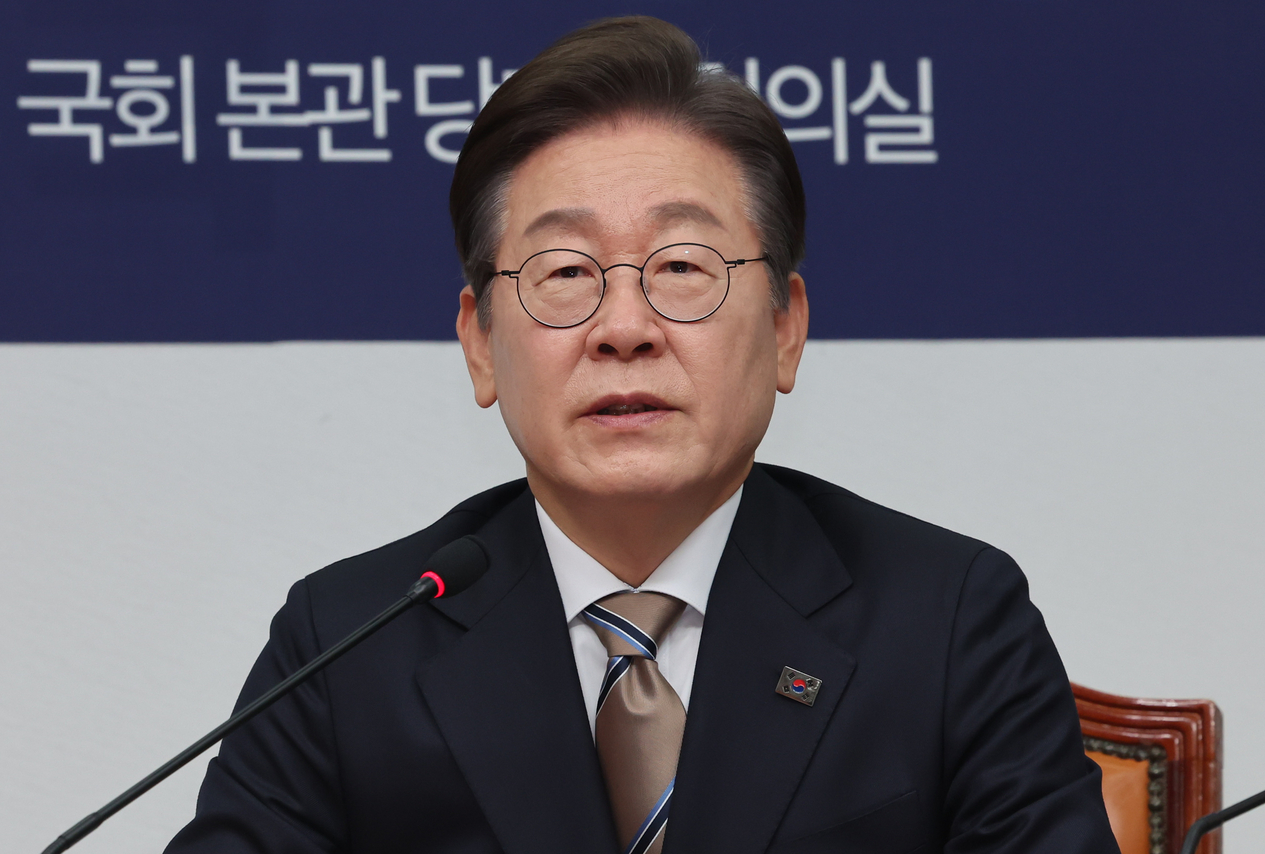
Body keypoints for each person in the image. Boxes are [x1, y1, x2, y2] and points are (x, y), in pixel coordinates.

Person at [167, 16, 1119, 854]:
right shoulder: (348, 646)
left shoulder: (948, 621)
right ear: (481, 345)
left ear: (785, 329)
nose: (624, 327)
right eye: (566, 272)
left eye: (682, 266)